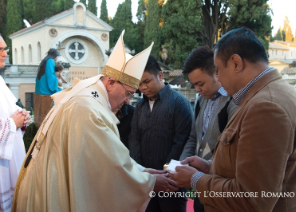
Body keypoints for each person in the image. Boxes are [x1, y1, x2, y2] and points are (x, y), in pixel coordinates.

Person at [12, 31, 178, 212]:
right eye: (128, 93)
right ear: (111, 82)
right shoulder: (89, 110)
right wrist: (150, 182)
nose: (128, 101)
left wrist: (142, 172)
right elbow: (107, 170)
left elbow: (108, 157)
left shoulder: (86, 96)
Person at [170, 27, 296, 211]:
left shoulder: (266, 107)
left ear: (235, 63)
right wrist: (210, 167)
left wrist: (195, 180)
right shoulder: (271, 93)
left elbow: (252, 198)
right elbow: (252, 169)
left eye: (218, 70)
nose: (218, 79)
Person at [129, 55, 193, 212]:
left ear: (160, 75)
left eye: (147, 81)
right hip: (147, 181)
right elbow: (135, 139)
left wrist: (166, 174)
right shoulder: (139, 106)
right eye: (139, 83)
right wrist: (142, 173)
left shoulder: (179, 103)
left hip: (172, 182)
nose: (143, 87)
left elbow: (181, 142)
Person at [179, 46, 237, 212]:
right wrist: (182, 163)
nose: (197, 89)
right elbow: (193, 137)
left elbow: (232, 152)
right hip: (200, 184)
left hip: (221, 186)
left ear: (216, 73)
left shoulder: (233, 101)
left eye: (200, 83)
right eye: (194, 85)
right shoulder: (200, 101)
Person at [0, 34, 30, 212]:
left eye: (5, 49)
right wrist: (12, 123)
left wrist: (22, 119)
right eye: (0, 50)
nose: (5, 54)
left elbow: (10, 112)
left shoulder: (1, 81)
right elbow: (9, 121)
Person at [34, 48, 62, 128]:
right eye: (57, 56)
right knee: (62, 93)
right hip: (46, 90)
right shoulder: (50, 61)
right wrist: (57, 81)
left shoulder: (44, 60)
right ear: (55, 56)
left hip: (40, 90)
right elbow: (50, 76)